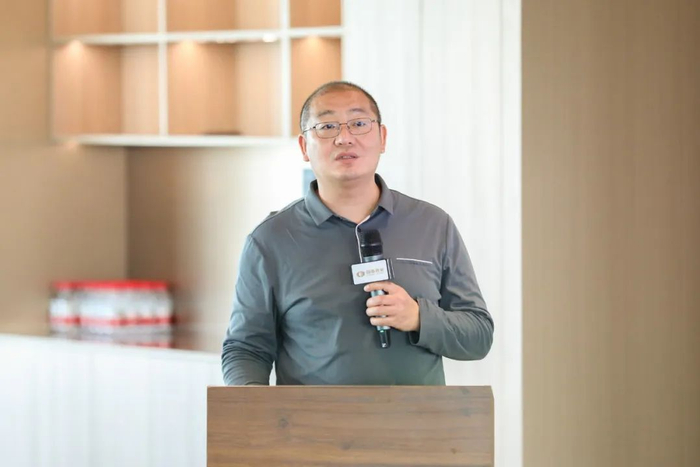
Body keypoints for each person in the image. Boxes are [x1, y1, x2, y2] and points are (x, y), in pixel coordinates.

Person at [222, 81, 493, 386]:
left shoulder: (432, 224)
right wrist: (254, 407)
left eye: (359, 123)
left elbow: (478, 336)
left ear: (382, 138)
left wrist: (419, 317)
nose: (344, 138)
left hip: (417, 416)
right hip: (314, 417)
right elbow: (245, 349)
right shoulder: (270, 240)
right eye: (327, 127)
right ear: (304, 147)